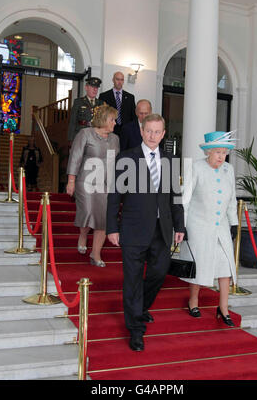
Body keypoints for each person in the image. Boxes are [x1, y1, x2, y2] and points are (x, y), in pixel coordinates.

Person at [107, 113, 185, 351]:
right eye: (148, 131)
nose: (152, 136)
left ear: (163, 134)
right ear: (142, 131)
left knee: (159, 273)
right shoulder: (126, 157)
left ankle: (140, 307)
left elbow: (175, 197)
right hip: (132, 230)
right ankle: (136, 329)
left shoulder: (170, 160)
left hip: (162, 230)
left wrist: (180, 227)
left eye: (157, 132)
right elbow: (114, 196)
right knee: (131, 281)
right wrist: (112, 227)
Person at [182, 131, 238, 326]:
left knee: (225, 266)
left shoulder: (228, 170)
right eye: (217, 152)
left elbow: (232, 199)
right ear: (208, 152)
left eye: (224, 152)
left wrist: (234, 222)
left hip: (221, 226)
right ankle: (193, 301)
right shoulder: (196, 167)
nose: (221, 156)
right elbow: (185, 198)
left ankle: (223, 309)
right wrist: (182, 224)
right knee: (200, 264)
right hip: (198, 225)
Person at [66, 104, 119, 267]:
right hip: (85, 182)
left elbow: (115, 163)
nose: (115, 123)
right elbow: (75, 157)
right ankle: (83, 234)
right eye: (112, 120)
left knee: (103, 219)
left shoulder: (115, 139)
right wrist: (71, 181)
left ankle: (95, 254)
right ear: (103, 119)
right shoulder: (85, 134)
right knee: (88, 213)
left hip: (105, 184)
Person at [67, 77, 104, 143]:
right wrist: (71, 139)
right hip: (81, 134)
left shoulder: (101, 103)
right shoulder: (78, 102)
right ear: (86, 88)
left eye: (97, 87)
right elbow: (72, 121)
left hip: (96, 136)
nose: (95, 89)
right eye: (92, 87)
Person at [99, 71, 136, 136]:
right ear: (113, 80)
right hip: (109, 131)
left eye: (121, 80)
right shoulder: (104, 96)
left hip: (126, 132)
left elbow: (133, 116)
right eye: (117, 79)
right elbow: (101, 116)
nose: (119, 82)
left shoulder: (130, 97)